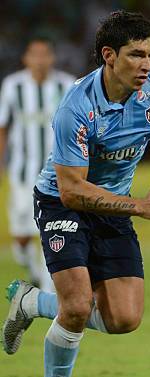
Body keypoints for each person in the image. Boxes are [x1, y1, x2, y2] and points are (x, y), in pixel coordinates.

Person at [1, 11, 150, 377]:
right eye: (136, 55)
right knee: (77, 305)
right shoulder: (76, 108)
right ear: (109, 55)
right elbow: (72, 190)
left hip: (113, 207)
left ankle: (31, 302)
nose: (147, 65)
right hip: (62, 205)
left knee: (124, 320)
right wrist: (139, 205)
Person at [0, 37, 75, 292]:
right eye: (35, 55)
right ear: (26, 59)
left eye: (45, 55)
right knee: (21, 237)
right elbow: (3, 127)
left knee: (47, 230)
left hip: (56, 174)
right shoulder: (13, 86)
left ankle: (46, 290)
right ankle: (31, 269)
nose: (40, 60)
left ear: (52, 58)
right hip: (22, 172)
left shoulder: (66, 84)